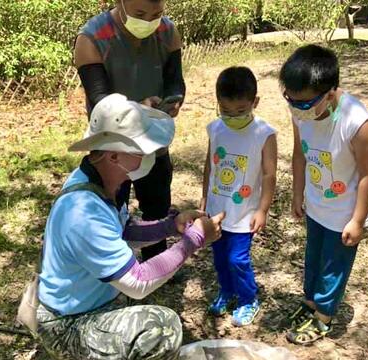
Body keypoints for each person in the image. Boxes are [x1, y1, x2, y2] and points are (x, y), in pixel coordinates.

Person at [36, 93, 225, 359]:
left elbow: (124, 232)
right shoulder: (83, 213)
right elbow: (137, 282)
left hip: (93, 303)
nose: (149, 156)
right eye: (141, 151)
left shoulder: (103, 182)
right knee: (161, 327)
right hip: (67, 323)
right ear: (114, 156)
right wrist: (194, 239)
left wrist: (172, 227)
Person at [280, 45, 368, 345]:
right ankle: (310, 301)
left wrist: (358, 220)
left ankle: (323, 315)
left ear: (331, 92)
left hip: (346, 212)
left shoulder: (359, 124)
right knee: (313, 257)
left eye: (305, 104)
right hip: (317, 205)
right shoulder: (302, 111)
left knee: (333, 265)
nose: (297, 109)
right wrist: (297, 194)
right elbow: (299, 155)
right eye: (291, 100)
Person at [74, 0, 186, 261]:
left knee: (157, 206)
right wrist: (138, 111)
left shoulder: (168, 32)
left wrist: (174, 99)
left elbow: (174, 81)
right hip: (112, 147)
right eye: (139, 14)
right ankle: (113, 263)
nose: (148, 21)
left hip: (153, 142)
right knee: (111, 208)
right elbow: (101, 101)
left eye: (157, 14)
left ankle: (155, 260)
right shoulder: (91, 38)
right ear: (118, 3)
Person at [200, 67, 278, 327]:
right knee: (220, 257)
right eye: (226, 110)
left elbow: (269, 175)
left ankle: (248, 299)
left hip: (245, 212)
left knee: (237, 259)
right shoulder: (215, 129)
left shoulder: (264, 133)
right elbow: (210, 166)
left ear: (255, 102)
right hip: (216, 209)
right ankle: (227, 291)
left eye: (241, 111)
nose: (233, 117)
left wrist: (263, 210)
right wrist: (204, 201)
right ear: (218, 103)